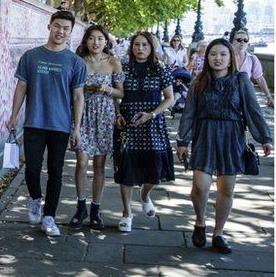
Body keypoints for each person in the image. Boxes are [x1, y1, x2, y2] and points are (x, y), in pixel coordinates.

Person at [177, 38, 273, 253]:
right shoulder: (198, 82)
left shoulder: (241, 80)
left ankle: (218, 233)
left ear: (230, 58)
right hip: (204, 136)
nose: (217, 58)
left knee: (226, 190)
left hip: (232, 137)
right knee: (199, 187)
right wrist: (182, 141)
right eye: (213, 54)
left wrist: (265, 137)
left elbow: (253, 110)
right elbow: (189, 113)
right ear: (206, 57)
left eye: (222, 54)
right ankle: (200, 222)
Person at [8, 10, 86, 236]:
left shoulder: (75, 62)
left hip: (60, 125)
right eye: (57, 26)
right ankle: (34, 199)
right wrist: (13, 116)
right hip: (34, 121)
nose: (60, 31)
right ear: (49, 26)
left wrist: (77, 127)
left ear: (71, 33)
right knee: (32, 168)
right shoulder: (31, 56)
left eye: (66, 29)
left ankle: (49, 217)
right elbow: (21, 87)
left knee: (56, 171)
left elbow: (78, 96)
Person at [114, 31, 175, 232]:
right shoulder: (123, 66)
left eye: (145, 45)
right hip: (128, 124)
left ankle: (144, 195)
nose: (140, 48)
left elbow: (169, 98)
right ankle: (126, 212)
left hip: (152, 124)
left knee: (155, 168)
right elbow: (115, 93)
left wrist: (151, 114)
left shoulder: (160, 69)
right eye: (137, 44)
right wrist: (117, 114)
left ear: (152, 48)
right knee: (126, 168)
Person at [70, 25, 124, 229]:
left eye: (100, 39)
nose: (96, 42)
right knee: (81, 162)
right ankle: (80, 206)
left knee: (99, 165)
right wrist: (85, 88)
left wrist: (107, 88)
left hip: (104, 115)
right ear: (86, 41)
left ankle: (95, 209)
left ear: (106, 41)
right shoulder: (79, 61)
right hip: (82, 114)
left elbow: (121, 93)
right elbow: (72, 89)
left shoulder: (113, 62)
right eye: (92, 38)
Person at [229, 30, 274, 107]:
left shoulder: (252, 59)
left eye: (245, 40)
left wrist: (269, 97)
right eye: (239, 40)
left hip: (246, 93)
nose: (242, 42)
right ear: (232, 41)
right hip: (228, 92)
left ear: (248, 43)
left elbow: (259, 78)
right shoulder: (226, 57)